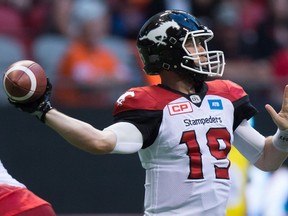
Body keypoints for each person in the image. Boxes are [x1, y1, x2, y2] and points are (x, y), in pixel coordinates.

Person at [7, 10, 288, 215]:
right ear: (168, 53)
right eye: (193, 43)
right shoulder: (149, 103)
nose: (203, 51)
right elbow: (99, 141)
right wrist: (44, 110)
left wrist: (284, 135)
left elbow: (266, 158)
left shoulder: (226, 95)